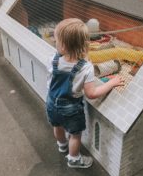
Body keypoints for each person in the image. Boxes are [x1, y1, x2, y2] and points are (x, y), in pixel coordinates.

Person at [46, 18, 124, 168]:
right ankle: (74, 159)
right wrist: (111, 83)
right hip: (71, 108)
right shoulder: (86, 67)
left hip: (51, 102)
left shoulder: (53, 59)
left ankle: (62, 145)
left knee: (57, 126)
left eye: (56, 40)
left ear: (62, 46)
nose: (55, 43)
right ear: (84, 45)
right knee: (75, 135)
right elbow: (92, 94)